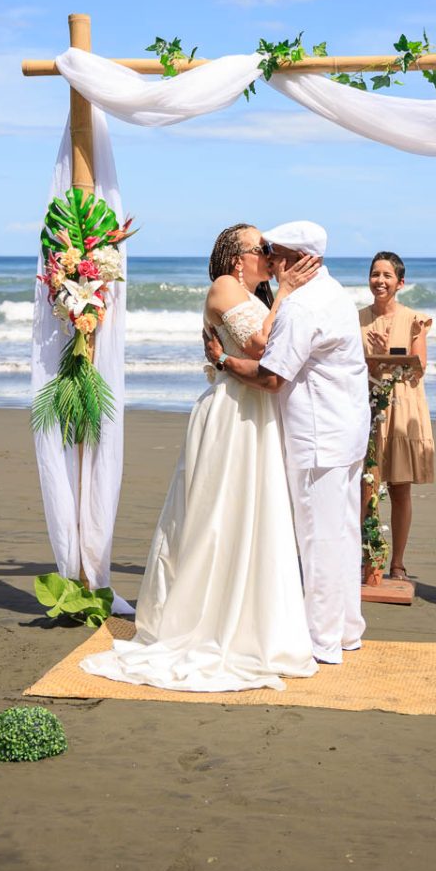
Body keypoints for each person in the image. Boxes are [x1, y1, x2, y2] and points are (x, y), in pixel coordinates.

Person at [80, 223, 320, 692]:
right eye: (262, 248)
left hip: (254, 412)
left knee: (253, 516)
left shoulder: (256, 295)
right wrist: (287, 293)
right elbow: (262, 348)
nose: (270, 256)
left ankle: (252, 622)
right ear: (237, 257)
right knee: (218, 517)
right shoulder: (225, 288)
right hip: (232, 414)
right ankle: (204, 620)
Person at [205, 221, 371, 665]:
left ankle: (322, 642)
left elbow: (272, 377)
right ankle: (347, 630)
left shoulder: (301, 307)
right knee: (343, 533)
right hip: (347, 431)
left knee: (319, 539)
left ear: (300, 259)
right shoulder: (334, 292)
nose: (273, 262)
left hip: (318, 438)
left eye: (276, 254)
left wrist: (222, 360)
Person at [358, 250, 435, 581]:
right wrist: (371, 356)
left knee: (400, 488)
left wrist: (386, 353)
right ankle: (367, 560)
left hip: (401, 408)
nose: (380, 280)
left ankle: (398, 563)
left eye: (387, 275)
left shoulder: (414, 320)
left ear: (400, 283)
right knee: (365, 488)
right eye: (376, 274)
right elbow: (345, 366)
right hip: (364, 407)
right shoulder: (355, 320)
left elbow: (417, 371)